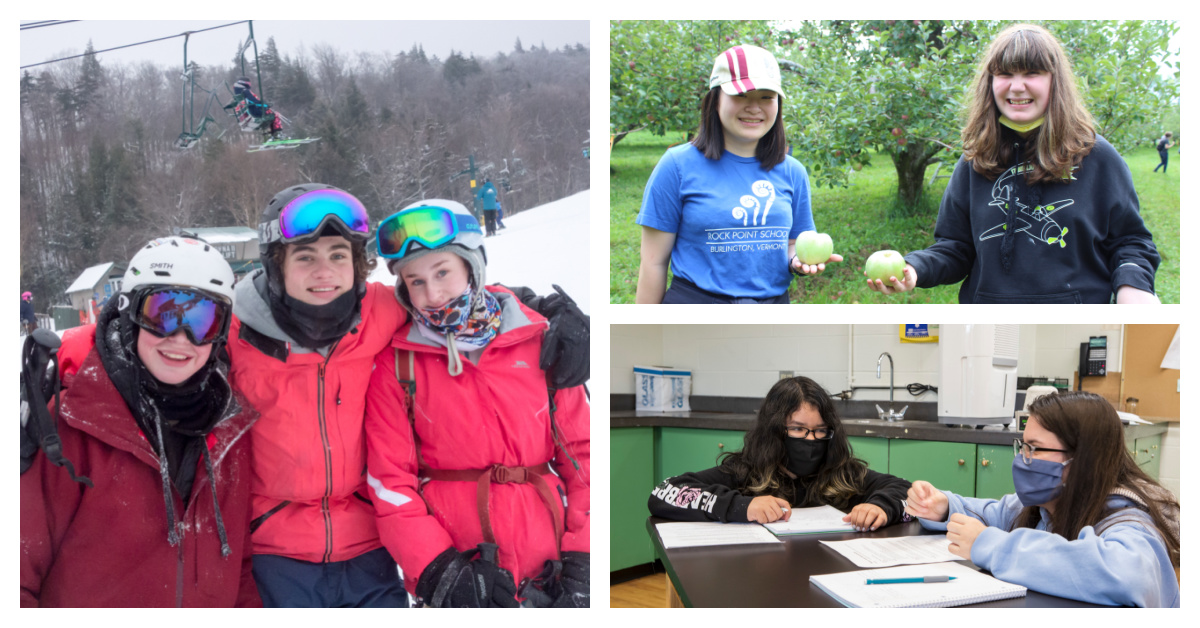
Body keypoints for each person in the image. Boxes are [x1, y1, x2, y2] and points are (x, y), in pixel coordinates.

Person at [364, 200, 590, 607]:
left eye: (443, 272)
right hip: (462, 560)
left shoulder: (539, 341)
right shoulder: (397, 365)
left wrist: (585, 554)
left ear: (473, 266)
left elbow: (584, 456)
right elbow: (389, 482)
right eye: (415, 281)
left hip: (548, 560)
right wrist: (438, 569)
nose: (432, 294)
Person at [21, 236, 260, 607]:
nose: (181, 338)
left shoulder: (229, 432)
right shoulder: (71, 425)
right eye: (163, 314)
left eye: (202, 321)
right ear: (129, 316)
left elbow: (239, 570)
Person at [868, 24, 1160, 304]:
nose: (1017, 86)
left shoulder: (1095, 156)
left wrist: (1133, 286)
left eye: (1032, 72)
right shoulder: (976, 159)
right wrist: (915, 268)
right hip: (988, 325)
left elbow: (1131, 242)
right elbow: (955, 249)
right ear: (991, 82)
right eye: (1005, 73)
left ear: (1054, 81)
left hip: (1074, 324)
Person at [226, 184, 410, 607]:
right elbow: (154, 343)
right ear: (277, 267)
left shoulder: (380, 311)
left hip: (369, 547)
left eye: (338, 256)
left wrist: (535, 308)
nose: (324, 272)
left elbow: (454, 300)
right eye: (306, 257)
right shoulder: (232, 330)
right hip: (274, 551)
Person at [905, 391, 1179, 607]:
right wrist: (944, 507)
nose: (1022, 458)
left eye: (1035, 449)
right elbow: (994, 514)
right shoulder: (1046, 504)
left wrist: (990, 545)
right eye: (1023, 445)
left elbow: (1125, 576)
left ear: (1081, 458)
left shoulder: (1130, 520)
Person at [635, 45, 842, 304]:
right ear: (715, 98)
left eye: (767, 97)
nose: (754, 107)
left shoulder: (793, 172)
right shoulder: (677, 166)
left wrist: (797, 260)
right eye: (742, 94)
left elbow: (792, 243)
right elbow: (653, 264)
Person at [649, 376, 910, 531]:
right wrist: (744, 506)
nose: (811, 440)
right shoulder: (745, 472)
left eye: (820, 431)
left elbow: (904, 490)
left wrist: (881, 507)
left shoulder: (843, 473)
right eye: (798, 429)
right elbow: (664, 492)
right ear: (774, 429)